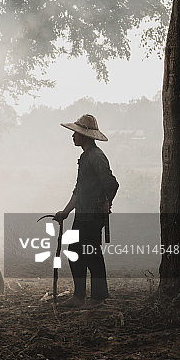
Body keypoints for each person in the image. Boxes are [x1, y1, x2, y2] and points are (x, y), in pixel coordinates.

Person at [54, 114, 119, 307]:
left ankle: (98, 297)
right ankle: (79, 295)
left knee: (91, 253)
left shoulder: (97, 157)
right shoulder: (85, 157)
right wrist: (65, 212)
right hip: (82, 214)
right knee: (76, 252)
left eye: (76, 133)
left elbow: (112, 184)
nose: (73, 136)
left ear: (86, 136)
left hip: (92, 215)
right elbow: (79, 190)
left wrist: (106, 203)